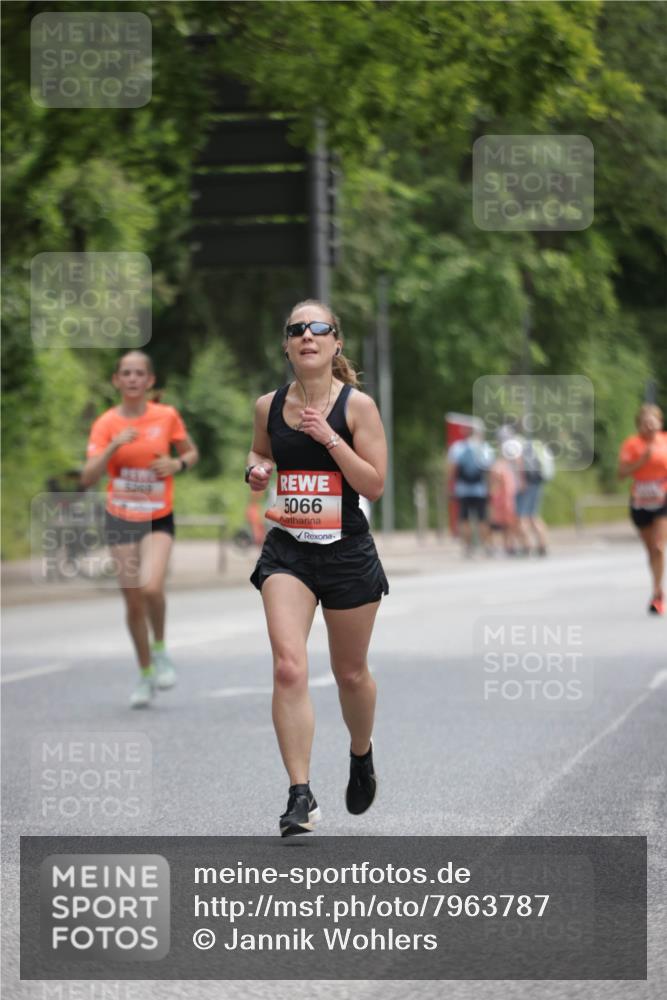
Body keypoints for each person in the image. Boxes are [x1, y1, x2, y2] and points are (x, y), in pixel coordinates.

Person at [246, 299, 388, 837]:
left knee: (350, 674)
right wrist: (257, 471)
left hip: (347, 550)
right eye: (297, 329)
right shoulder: (268, 405)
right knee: (288, 667)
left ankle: (361, 752)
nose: (308, 335)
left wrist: (328, 437)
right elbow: (260, 454)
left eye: (319, 328)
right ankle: (300, 794)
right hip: (289, 550)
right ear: (287, 346)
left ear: (336, 343)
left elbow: (374, 484)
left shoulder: (358, 407)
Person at [81, 350, 199, 706]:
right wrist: (113, 446)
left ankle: (160, 649)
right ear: (116, 380)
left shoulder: (166, 416)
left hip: (157, 515)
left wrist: (176, 464)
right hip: (120, 517)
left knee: (151, 587)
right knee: (132, 600)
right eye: (126, 373)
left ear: (149, 381)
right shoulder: (106, 423)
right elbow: (87, 477)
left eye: (139, 374)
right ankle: (145, 672)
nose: (132, 379)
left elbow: (191, 453)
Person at [618, 403, 667, 615]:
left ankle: (657, 594)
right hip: (640, 503)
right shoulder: (632, 444)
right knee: (650, 550)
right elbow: (621, 474)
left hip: (663, 500)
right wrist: (642, 460)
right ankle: (656, 586)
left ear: (660, 423)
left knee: (658, 546)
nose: (649, 427)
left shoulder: (665, 442)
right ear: (639, 425)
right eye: (645, 423)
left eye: (652, 422)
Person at [447, 427, 494, 556]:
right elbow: (489, 470)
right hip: (481, 490)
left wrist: (449, 486)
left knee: (464, 519)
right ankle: (487, 546)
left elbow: (452, 469)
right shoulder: (485, 448)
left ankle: (467, 547)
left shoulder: (458, 448)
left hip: (463, 489)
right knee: (482, 519)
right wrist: (490, 488)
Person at [514, 435, 554, 556]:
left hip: (525, 485)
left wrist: (521, 482)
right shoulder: (534, 446)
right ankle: (543, 545)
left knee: (522, 516)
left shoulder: (517, 445)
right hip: (537, 482)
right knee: (534, 515)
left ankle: (527, 547)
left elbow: (519, 464)